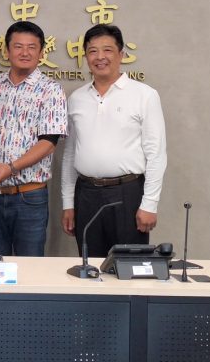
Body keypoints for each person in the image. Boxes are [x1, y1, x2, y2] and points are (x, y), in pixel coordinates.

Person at [61, 24, 167, 257]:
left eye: (107, 50)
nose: (100, 57)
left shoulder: (144, 95)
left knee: (130, 267)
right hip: (86, 194)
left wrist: (149, 204)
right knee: (90, 267)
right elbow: (70, 154)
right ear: (86, 56)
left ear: (121, 54)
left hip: (127, 194)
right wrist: (68, 203)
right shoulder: (77, 98)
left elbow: (156, 154)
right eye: (92, 51)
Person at [0, 21, 67, 257]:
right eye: (18, 46)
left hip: (30, 197)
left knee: (31, 267)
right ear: (7, 51)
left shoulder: (51, 90)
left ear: (41, 52)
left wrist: (10, 168)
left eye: (31, 47)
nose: (24, 52)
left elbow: (48, 143)